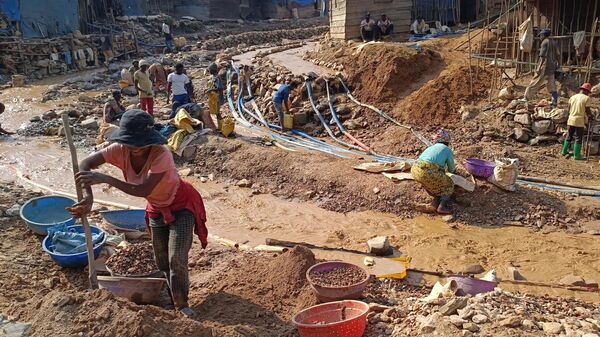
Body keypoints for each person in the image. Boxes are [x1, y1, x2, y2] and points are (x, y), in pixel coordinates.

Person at [67, 110, 207, 318]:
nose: (135, 148)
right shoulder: (119, 150)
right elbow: (85, 165)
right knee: (161, 260)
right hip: (156, 207)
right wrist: (89, 197)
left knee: (176, 257)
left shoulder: (161, 154)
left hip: (181, 204)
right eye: (131, 143)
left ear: (149, 140)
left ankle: (182, 304)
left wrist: (107, 179)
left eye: (140, 143)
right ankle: (171, 295)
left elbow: (143, 190)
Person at [411, 129, 456, 214]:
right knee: (449, 183)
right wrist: (455, 172)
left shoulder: (431, 147)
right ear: (447, 141)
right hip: (426, 172)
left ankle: (434, 204)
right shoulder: (447, 150)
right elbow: (451, 169)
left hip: (415, 169)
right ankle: (442, 207)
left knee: (437, 180)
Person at [524, 28, 561, 107]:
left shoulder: (544, 42)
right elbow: (558, 55)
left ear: (543, 35)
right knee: (552, 84)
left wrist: (538, 67)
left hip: (545, 66)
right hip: (552, 67)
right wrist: (559, 64)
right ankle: (554, 101)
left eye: (540, 35)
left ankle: (526, 98)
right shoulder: (554, 43)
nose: (540, 37)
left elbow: (542, 57)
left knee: (535, 82)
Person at [561, 83, 592, 160]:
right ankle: (577, 155)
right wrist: (591, 116)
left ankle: (564, 151)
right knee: (578, 138)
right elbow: (587, 110)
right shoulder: (586, 98)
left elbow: (569, 109)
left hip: (571, 119)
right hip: (579, 120)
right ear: (587, 91)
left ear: (581, 89)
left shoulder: (572, 97)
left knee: (569, 135)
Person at [206, 63, 224, 130]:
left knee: (218, 113)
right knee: (216, 113)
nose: (209, 71)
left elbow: (219, 88)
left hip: (217, 98)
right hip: (213, 98)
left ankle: (221, 127)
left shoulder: (217, 77)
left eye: (210, 70)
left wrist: (210, 90)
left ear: (213, 70)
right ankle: (219, 126)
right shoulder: (213, 77)